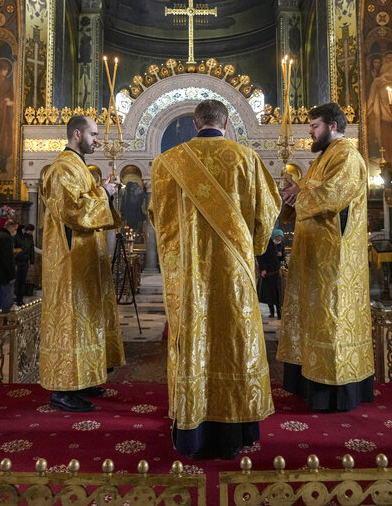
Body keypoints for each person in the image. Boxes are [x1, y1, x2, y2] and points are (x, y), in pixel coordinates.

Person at [149, 99, 281, 459]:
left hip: (188, 276)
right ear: (226, 123)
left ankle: (192, 429)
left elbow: (158, 218)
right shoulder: (246, 159)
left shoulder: (166, 163)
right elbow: (268, 212)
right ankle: (236, 429)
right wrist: (249, 248)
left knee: (194, 339)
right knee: (235, 339)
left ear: (195, 123)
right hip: (234, 273)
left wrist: (177, 255)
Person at [277, 102, 374, 412]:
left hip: (334, 261)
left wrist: (300, 194)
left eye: (315, 126)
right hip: (315, 257)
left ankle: (332, 394)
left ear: (333, 125)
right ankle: (308, 383)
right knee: (315, 320)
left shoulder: (346, 155)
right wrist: (294, 191)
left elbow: (333, 195)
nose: (310, 132)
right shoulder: (324, 158)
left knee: (331, 320)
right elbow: (311, 191)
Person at [39, 115, 125, 412]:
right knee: (71, 322)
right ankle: (62, 390)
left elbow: (87, 202)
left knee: (86, 320)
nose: (97, 139)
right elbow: (73, 211)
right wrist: (104, 193)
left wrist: (102, 191)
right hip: (70, 263)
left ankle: (84, 379)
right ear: (77, 134)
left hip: (85, 259)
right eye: (94, 134)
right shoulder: (63, 168)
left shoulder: (79, 167)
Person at [0, 217, 18, 313]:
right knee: (7, 297)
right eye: (15, 228)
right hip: (5, 273)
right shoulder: (6, 238)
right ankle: (5, 318)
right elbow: (8, 258)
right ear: (10, 227)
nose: (15, 231)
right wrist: (12, 275)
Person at [257, 229, 285, 319]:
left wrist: (281, 255)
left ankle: (279, 313)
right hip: (268, 274)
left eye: (280, 238)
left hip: (276, 273)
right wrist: (263, 269)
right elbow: (261, 256)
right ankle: (271, 311)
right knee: (269, 295)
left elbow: (282, 257)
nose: (278, 240)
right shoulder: (267, 244)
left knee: (277, 294)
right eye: (277, 238)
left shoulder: (280, 244)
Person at [14, 223, 38, 304]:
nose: (32, 233)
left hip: (25, 262)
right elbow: (14, 249)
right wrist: (20, 252)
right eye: (31, 231)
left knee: (22, 281)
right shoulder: (17, 236)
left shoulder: (30, 237)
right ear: (26, 230)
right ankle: (16, 298)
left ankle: (20, 298)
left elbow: (31, 249)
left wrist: (32, 262)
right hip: (17, 261)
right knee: (17, 281)